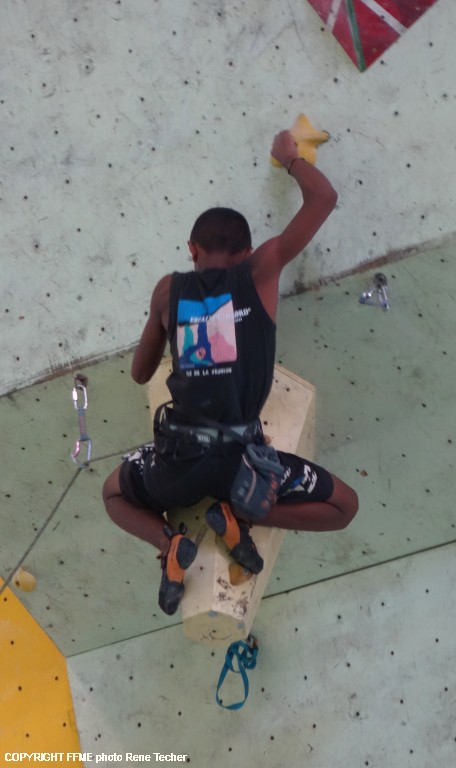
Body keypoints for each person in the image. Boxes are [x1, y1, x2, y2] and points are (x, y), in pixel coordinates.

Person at [103, 130, 359, 615]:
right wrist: (289, 158)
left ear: (191, 250)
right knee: (344, 507)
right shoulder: (262, 269)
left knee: (113, 494)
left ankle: (170, 543)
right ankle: (245, 510)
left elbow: (140, 373)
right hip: (246, 464)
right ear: (247, 252)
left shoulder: (168, 291)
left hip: (176, 461)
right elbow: (324, 198)